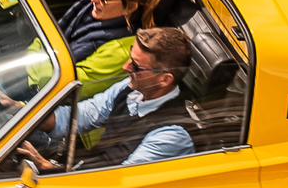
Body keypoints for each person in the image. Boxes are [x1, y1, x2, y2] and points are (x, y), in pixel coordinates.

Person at [0, 0, 163, 116]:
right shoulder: (90, 10)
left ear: (130, 8)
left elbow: (64, 85)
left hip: (61, 113)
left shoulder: (122, 51)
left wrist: (39, 58)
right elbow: (43, 41)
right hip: (34, 86)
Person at [19, 27, 196, 172]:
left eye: (136, 66)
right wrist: (22, 112)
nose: (125, 67)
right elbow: (83, 115)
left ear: (164, 80)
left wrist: (48, 168)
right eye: (130, 58)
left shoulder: (172, 135)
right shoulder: (130, 89)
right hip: (84, 169)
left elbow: (120, 179)